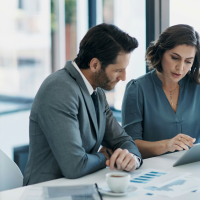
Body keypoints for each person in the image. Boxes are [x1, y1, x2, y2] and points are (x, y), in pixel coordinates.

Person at [23, 23, 142, 185]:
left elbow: (122, 140)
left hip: (83, 186)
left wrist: (132, 158)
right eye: (118, 70)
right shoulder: (59, 89)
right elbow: (75, 166)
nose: (124, 77)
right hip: (47, 191)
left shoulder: (97, 92)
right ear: (95, 65)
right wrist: (106, 156)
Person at [122, 24, 200, 159]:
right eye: (175, 58)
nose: (180, 68)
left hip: (192, 171)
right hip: (152, 172)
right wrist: (166, 145)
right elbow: (130, 145)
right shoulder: (137, 89)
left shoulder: (197, 87)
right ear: (161, 52)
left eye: (188, 61)